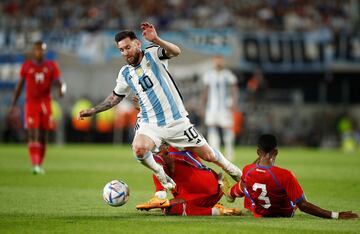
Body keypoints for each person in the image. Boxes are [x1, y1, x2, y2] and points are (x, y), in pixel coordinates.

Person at [78, 22, 242, 190]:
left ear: (137, 44)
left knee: (208, 155)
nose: (125, 53)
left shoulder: (153, 54)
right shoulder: (125, 73)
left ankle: (232, 169)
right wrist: (94, 110)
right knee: (138, 148)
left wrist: (156, 39)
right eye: (121, 50)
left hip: (176, 121)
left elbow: (176, 51)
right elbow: (115, 97)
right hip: (151, 124)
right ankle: (161, 176)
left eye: (128, 47)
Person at [222, 134, 358, 219]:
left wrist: (259, 161)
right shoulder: (285, 175)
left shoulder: (247, 170)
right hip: (285, 212)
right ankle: (230, 193)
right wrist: (336, 215)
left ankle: (229, 193)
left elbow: (253, 168)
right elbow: (303, 206)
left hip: (259, 212)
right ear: (276, 152)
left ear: (258, 152)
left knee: (246, 183)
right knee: (294, 193)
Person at [9, 41, 66, 174]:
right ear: (33, 51)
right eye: (38, 49)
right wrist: (13, 103)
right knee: (33, 132)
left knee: (43, 135)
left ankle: (39, 164)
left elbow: (59, 81)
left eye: (42, 50)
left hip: (45, 103)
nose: (40, 52)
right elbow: (19, 85)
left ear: (44, 51)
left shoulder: (51, 65)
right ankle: (34, 165)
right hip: (31, 103)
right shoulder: (27, 66)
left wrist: (62, 89)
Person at [136, 145, 240, 216]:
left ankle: (215, 211)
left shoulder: (171, 150)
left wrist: (160, 198)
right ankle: (226, 189)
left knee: (170, 209)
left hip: (204, 188)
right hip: (209, 186)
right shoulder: (179, 143)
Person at [202, 55, 238, 161]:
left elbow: (234, 89)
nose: (218, 62)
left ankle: (229, 152)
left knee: (227, 129)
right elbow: (205, 91)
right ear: (213, 61)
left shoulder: (228, 75)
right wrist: (202, 106)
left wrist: (234, 103)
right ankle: (215, 153)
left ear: (223, 61)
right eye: (216, 60)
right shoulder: (209, 75)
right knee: (212, 129)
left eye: (220, 60)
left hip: (225, 107)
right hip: (212, 108)